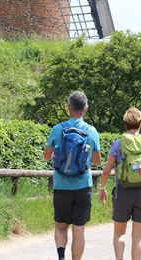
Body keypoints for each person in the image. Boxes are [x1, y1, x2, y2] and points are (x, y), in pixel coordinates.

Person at [43, 91, 101, 260]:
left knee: (61, 226)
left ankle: (61, 257)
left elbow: (47, 157)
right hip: (83, 186)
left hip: (61, 185)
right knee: (79, 229)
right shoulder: (91, 131)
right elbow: (97, 161)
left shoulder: (58, 129)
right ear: (86, 109)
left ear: (68, 107)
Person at [98, 108, 141, 260]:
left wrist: (102, 188)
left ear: (125, 124)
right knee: (138, 236)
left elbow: (106, 170)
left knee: (119, 233)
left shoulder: (119, 143)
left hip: (123, 191)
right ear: (140, 124)